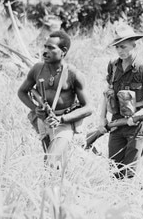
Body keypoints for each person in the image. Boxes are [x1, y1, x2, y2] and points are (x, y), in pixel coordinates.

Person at [97, 27, 143, 179]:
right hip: (116, 123)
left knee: (128, 173)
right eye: (117, 47)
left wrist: (139, 115)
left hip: (136, 126)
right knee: (114, 172)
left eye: (123, 46)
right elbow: (107, 92)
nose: (119, 50)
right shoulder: (113, 66)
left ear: (134, 45)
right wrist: (102, 118)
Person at [17, 30, 92, 168]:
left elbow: (88, 108)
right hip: (43, 122)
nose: (45, 51)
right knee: (56, 164)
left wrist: (62, 119)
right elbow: (22, 92)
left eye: (51, 48)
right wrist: (36, 109)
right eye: (45, 46)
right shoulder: (37, 69)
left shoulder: (73, 74)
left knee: (49, 162)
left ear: (63, 51)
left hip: (63, 124)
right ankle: (59, 187)